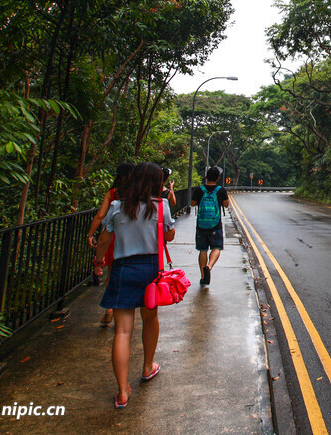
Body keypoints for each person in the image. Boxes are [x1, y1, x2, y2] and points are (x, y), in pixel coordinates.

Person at [93, 161, 175, 408]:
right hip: (151, 269)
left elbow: (104, 240)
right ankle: (148, 366)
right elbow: (169, 236)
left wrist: (98, 263)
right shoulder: (161, 207)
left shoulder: (118, 207)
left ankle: (122, 391)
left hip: (122, 269)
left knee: (123, 331)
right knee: (150, 319)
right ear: (155, 183)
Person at [87, 162, 135, 326]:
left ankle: (109, 309)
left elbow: (100, 215)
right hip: (133, 238)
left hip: (114, 236)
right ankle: (124, 310)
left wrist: (90, 234)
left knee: (112, 273)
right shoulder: (138, 193)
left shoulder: (113, 193)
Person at [190, 165, 229, 286]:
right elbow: (226, 205)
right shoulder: (221, 190)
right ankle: (209, 266)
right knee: (216, 248)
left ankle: (203, 277)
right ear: (218, 178)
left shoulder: (199, 190)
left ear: (206, 177)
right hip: (215, 225)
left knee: (203, 250)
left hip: (201, 225)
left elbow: (192, 204)